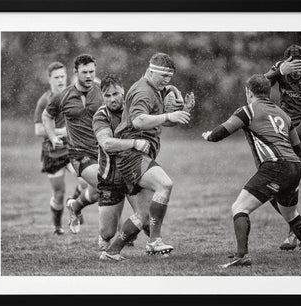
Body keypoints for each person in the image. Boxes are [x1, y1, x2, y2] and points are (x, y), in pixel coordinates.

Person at [202, 74, 301, 267]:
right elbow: (297, 146)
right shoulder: (283, 114)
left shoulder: (248, 110)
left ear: (249, 92)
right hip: (294, 166)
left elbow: (222, 132)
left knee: (239, 208)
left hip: (275, 166)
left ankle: (242, 255)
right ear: (268, 92)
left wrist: (209, 136)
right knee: (291, 215)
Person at [97, 52, 195, 261]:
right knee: (165, 185)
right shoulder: (144, 91)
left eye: (170, 77)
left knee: (142, 215)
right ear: (151, 72)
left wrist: (182, 112)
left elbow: (157, 121)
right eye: (163, 77)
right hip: (131, 155)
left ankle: (111, 252)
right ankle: (154, 242)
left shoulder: (155, 89)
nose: (167, 82)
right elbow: (140, 121)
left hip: (137, 155)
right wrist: (170, 115)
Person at [264, 44, 301, 250]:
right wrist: (279, 72)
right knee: (270, 185)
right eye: (292, 65)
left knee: (284, 180)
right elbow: (257, 87)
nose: (296, 70)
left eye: (299, 66)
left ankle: (296, 231)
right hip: (284, 133)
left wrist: (292, 137)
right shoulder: (280, 68)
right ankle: (299, 228)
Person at [92, 73, 152, 260]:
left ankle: (155, 245)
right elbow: (107, 143)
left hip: (134, 171)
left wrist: (178, 111)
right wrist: (134, 143)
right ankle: (105, 237)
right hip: (111, 177)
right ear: (102, 96)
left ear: (123, 91)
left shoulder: (133, 108)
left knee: (147, 217)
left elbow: (156, 119)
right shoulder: (101, 115)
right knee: (108, 231)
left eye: (116, 94)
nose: (112, 99)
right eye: (107, 96)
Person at [42, 54, 103, 234]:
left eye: (92, 72)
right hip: (79, 154)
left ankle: (75, 206)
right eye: (84, 72)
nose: (89, 76)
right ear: (75, 73)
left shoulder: (101, 91)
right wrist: (53, 136)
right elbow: (47, 116)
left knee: (94, 193)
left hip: (102, 151)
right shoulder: (63, 95)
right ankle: (113, 238)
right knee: (108, 186)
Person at [33, 61, 86, 235]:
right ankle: (57, 227)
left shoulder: (73, 94)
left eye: (63, 76)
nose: (61, 80)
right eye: (57, 77)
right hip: (52, 152)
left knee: (85, 182)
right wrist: (60, 131)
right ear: (49, 79)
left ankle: (74, 203)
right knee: (58, 193)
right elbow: (38, 129)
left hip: (72, 149)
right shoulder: (44, 101)